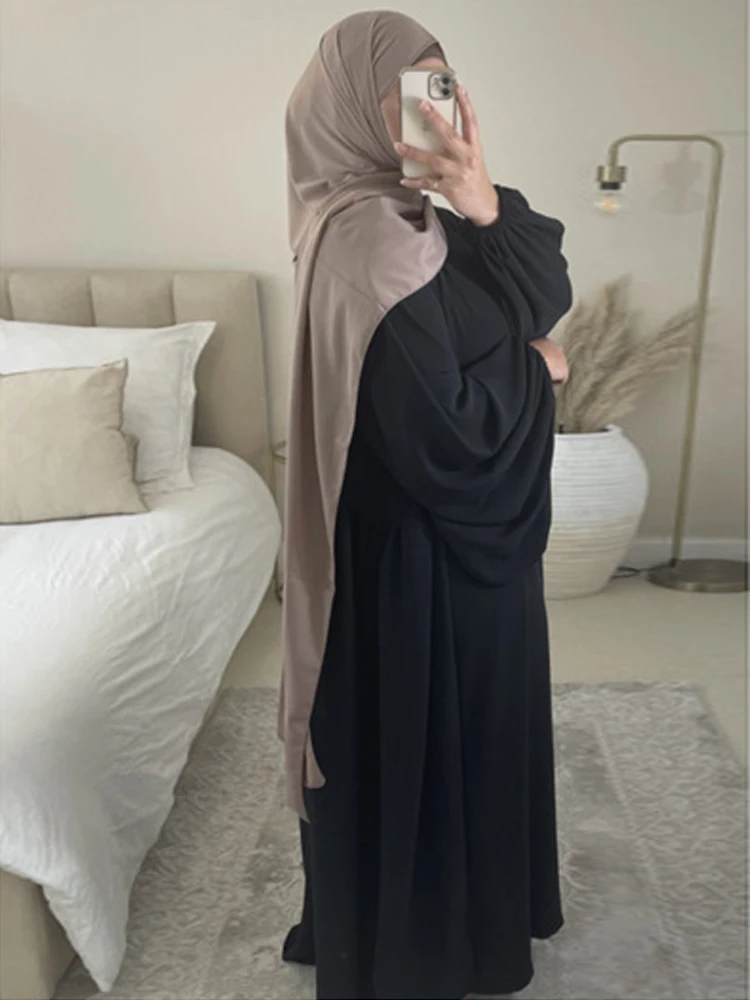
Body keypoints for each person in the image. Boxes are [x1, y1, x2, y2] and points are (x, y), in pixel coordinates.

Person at [278, 10, 572, 1000]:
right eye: (411, 90)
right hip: (418, 568)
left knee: (473, 739)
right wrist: (539, 371)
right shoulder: (368, 241)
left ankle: (472, 917)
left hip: (454, 552)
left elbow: (538, 298)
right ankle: (431, 947)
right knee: (438, 740)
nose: (436, 111)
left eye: (443, 86)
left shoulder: (419, 219)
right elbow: (444, 436)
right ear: (351, 107)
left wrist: (483, 202)